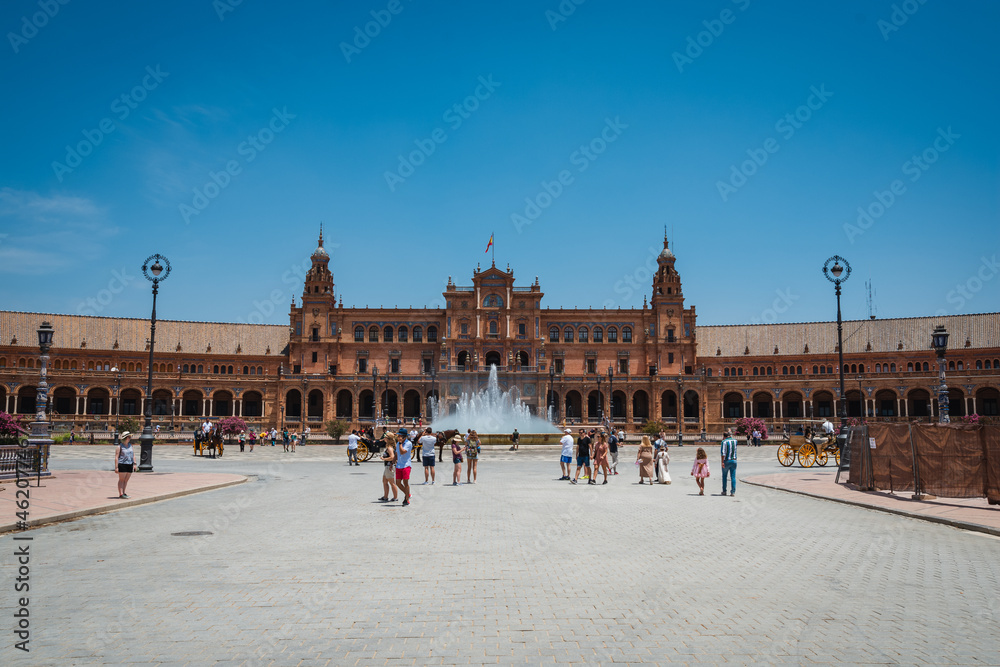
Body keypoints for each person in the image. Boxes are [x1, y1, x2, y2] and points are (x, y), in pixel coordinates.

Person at [115, 431, 135, 499]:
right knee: (121, 480)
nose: (130, 438)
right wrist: (116, 467)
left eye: (130, 437)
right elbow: (116, 457)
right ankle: (121, 493)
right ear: (125, 438)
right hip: (122, 464)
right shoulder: (120, 446)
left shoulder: (130, 446)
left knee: (126, 480)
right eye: (129, 437)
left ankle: (124, 492)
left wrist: (134, 464)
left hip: (130, 464)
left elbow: (133, 455)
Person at [378, 434, 399, 502]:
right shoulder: (390, 447)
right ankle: (385, 496)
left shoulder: (390, 448)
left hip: (389, 467)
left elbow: (392, 457)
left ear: (388, 439)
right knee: (384, 481)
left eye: (385, 437)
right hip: (387, 466)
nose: (384, 438)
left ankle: (395, 497)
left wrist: (384, 459)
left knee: (392, 483)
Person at [395, 428, 413, 505]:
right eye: (398, 436)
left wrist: (400, 443)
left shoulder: (408, 443)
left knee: (405, 482)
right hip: (399, 465)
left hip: (406, 465)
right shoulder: (398, 444)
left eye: (400, 436)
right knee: (398, 483)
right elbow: (396, 454)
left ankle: (406, 499)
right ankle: (407, 494)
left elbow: (402, 452)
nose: (399, 437)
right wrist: (392, 463)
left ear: (404, 437)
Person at [720, 429, 738, 496]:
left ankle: (724, 491)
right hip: (734, 460)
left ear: (724, 436)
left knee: (724, 476)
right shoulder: (735, 441)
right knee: (733, 477)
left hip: (726, 460)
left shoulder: (724, 442)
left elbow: (723, 453)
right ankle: (733, 492)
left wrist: (722, 462)